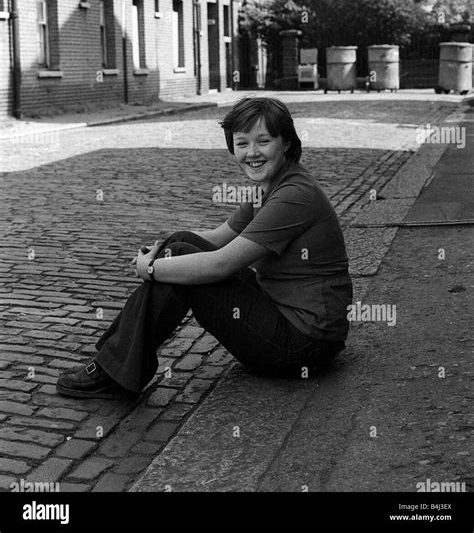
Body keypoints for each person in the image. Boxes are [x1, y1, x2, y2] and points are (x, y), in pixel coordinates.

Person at [56, 97, 353, 399]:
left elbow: (220, 264)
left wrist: (151, 268)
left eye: (263, 141)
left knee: (182, 263)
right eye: (242, 143)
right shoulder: (269, 188)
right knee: (180, 243)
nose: (252, 153)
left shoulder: (294, 195)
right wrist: (163, 247)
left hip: (304, 345)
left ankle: (113, 368)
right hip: (284, 318)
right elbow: (217, 236)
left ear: (286, 142)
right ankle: (113, 364)